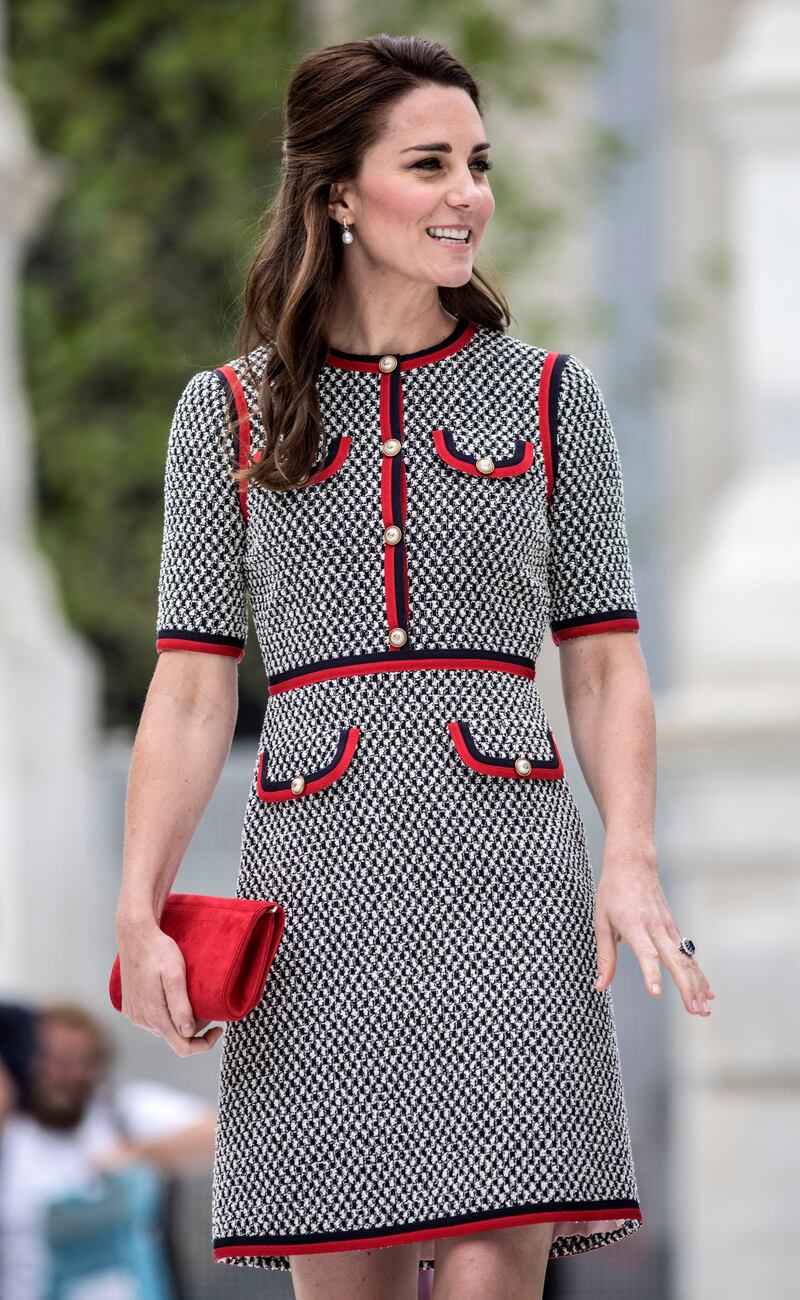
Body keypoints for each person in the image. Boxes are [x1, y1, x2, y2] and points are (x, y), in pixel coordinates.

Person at [113, 32, 716, 1300]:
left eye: (478, 164)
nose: (467, 196)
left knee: (503, 1266)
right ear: (338, 191)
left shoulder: (552, 398)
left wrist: (628, 850)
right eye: (429, 164)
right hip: (321, 890)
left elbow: (603, 663)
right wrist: (141, 901)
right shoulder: (225, 413)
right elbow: (190, 687)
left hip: (508, 883)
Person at [0, 1001, 216, 1299]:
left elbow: (216, 1132)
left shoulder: (119, 1113)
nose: (66, 1073)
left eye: (81, 1061)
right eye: (54, 1059)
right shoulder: (12, 1131)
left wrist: (139, 1154)